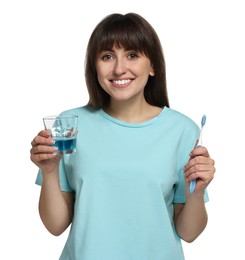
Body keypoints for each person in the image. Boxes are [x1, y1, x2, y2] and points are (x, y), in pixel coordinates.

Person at [30, 13, 215, 260]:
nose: (119, 69)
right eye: (107, 56)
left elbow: (189, 233)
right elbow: (55, 226)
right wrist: (49, 171)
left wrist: (196, 193)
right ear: (94, 66)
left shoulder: (183, 131)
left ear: (153, 66)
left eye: (132, 55)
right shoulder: (69, 125)